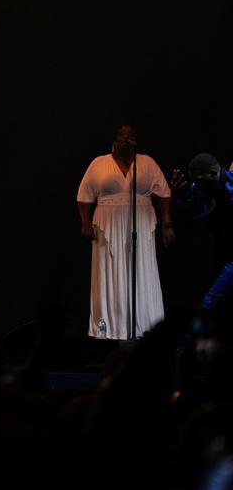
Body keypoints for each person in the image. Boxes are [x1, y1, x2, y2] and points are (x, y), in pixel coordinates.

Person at [76, 125, 173, 339]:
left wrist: (166, 223)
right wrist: (85, 223)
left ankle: (145, 327)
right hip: (106, 225)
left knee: (142, 271)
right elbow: (84, 197)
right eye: (122, 135)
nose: (126, 139)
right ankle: (108, 329)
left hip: (141, 223)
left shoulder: (146, 163)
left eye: (131, 136)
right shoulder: (99, 163)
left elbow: (164, 194)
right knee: (108, 271)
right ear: (114, 139)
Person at [175, 153, 233, 313]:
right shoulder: (200, 187)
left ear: (214, 174)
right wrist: (181, 195)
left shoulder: (230, 184)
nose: (196, 184)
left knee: (210, 301)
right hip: (222, 250)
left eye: (199, 179)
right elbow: (188, 216)